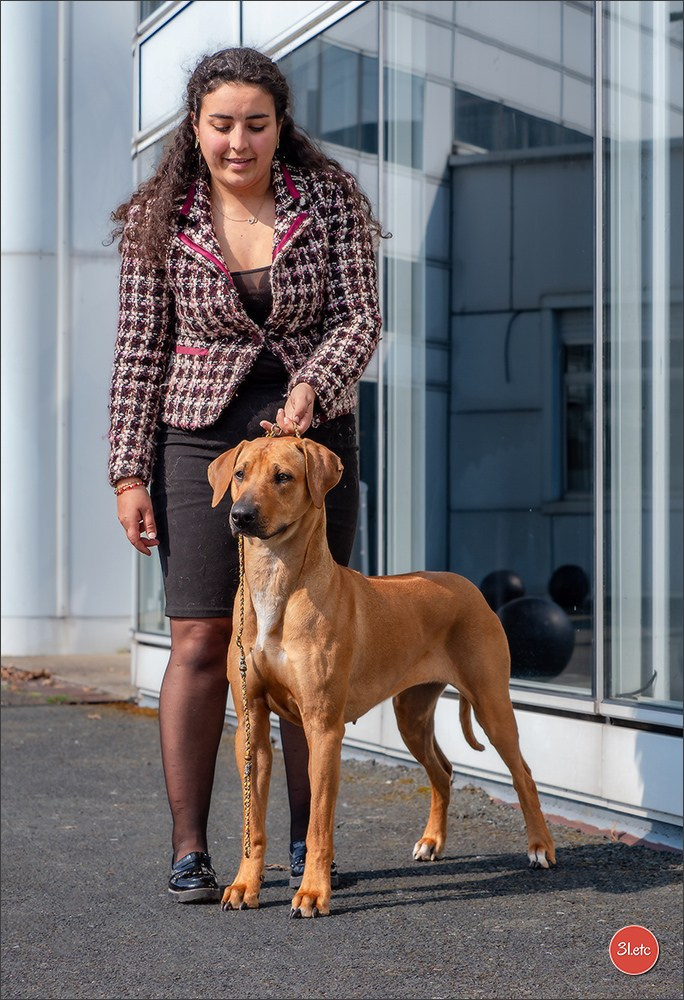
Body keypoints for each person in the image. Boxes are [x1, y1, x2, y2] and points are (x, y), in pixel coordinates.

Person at [107, 46, 384, 903]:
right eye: (222, 124)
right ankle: (191, 849)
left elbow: (361, 318)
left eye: (256, 125)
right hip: (198, 439)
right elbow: (139, 352)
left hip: (311, 437)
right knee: (199, 639)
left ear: (280, 125)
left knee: (312, 644)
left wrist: (310, 388)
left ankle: (305, 843)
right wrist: (128, 473)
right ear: (195, 127)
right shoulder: (160, 214)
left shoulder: (329, 200)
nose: (239, 142)